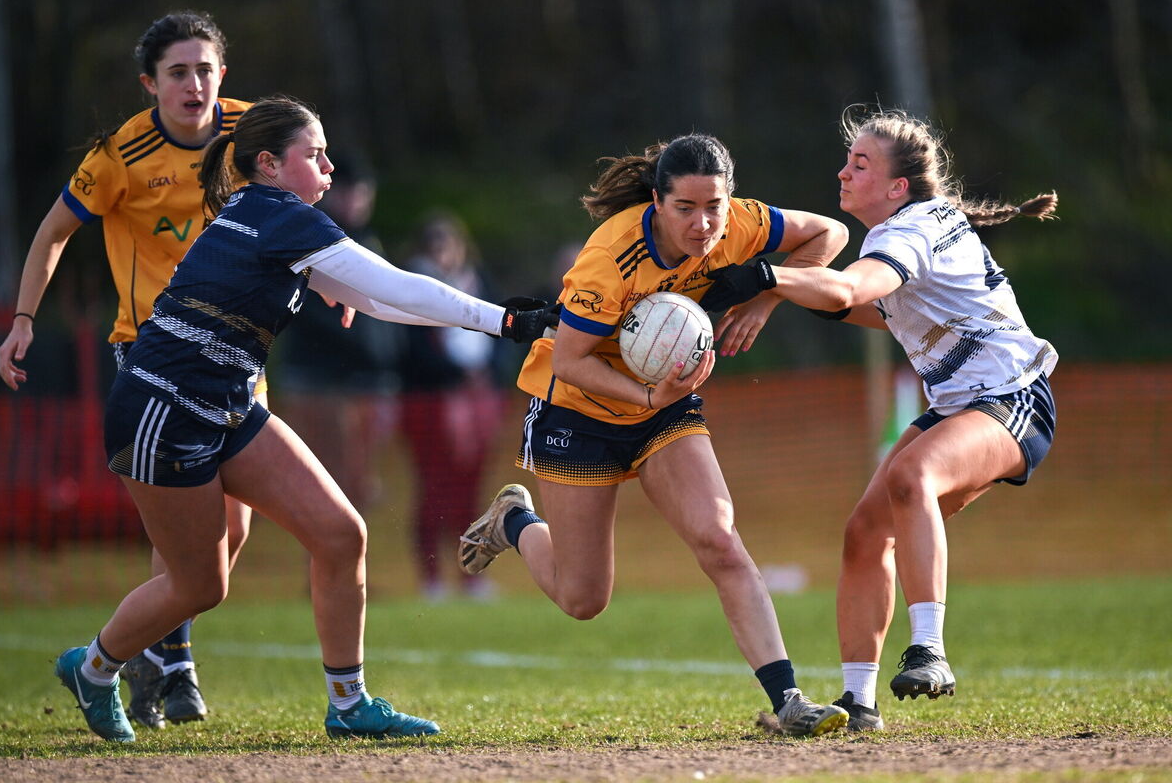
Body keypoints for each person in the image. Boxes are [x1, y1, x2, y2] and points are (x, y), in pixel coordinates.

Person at [49, 95, 558, 742]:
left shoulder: (277, 218)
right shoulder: (276, 213)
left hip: (224, 406)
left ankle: (348, 705)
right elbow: (396, 285)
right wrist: (502, 319)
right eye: (312, 154)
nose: (327, 165)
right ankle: (92, 669)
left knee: (341, 534)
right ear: (269, 164)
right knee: (199, 585)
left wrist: (494, 321)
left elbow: (377, 298)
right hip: (162, 408)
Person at [458, 134, 853, 737]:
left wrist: (768, 295)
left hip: (662, 408)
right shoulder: (610, 257)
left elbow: (830, 234)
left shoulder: (740, 224)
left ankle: (789, 701)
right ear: (657, 203)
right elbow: (568, 360)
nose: (703, 224)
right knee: (583, 599)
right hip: (576, 410)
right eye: (685, 209)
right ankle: (514, 520)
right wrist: (646, 394)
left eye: (714, 206)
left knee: (720, 540)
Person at [703, 108, 1058, 731]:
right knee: (865, 534)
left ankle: (930, 652)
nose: (843, 171)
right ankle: (858, 702)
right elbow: (872, 310)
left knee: (911, 476)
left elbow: (847, 292)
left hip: (1015, 396)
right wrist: (782, 293)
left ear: (898, 187)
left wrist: (766, 277)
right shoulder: (911, 229)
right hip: (964, 404)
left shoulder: (910, 230)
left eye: (860, 164)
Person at [0, 12, 255, 730]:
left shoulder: (251, 131)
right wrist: (22, 321)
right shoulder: (120, 155)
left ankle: (150, 657)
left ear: (222, 76)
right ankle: (165, 667)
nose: (194, 84)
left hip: (238, 354)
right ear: (150, 84)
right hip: (155, 358)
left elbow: (302, 198)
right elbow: (52, 233)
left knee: (227, 541)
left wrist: (334, 278)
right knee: (191, 541)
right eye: (178, 72)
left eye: (205, 69)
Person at [274, 154, 399, 516]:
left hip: (365, 381)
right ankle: (323, 571)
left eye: (363, 193)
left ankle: (348, 571)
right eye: (349, 192)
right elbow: (309, 312)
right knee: (327, 483)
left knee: (359, 486)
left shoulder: (367, 239)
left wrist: (387, 360)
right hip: (321, 379)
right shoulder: (313, 236)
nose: (357, 201)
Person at [398, 213, 508, 600]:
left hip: (477, 401)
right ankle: (432, 576)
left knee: (471, 492)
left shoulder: (478, 282)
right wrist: (455, 372)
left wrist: (486, 374)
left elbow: (499, 336)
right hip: (431, 401)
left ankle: (471, 573)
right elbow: (409, 351)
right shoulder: (411, 288)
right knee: (434, 489)